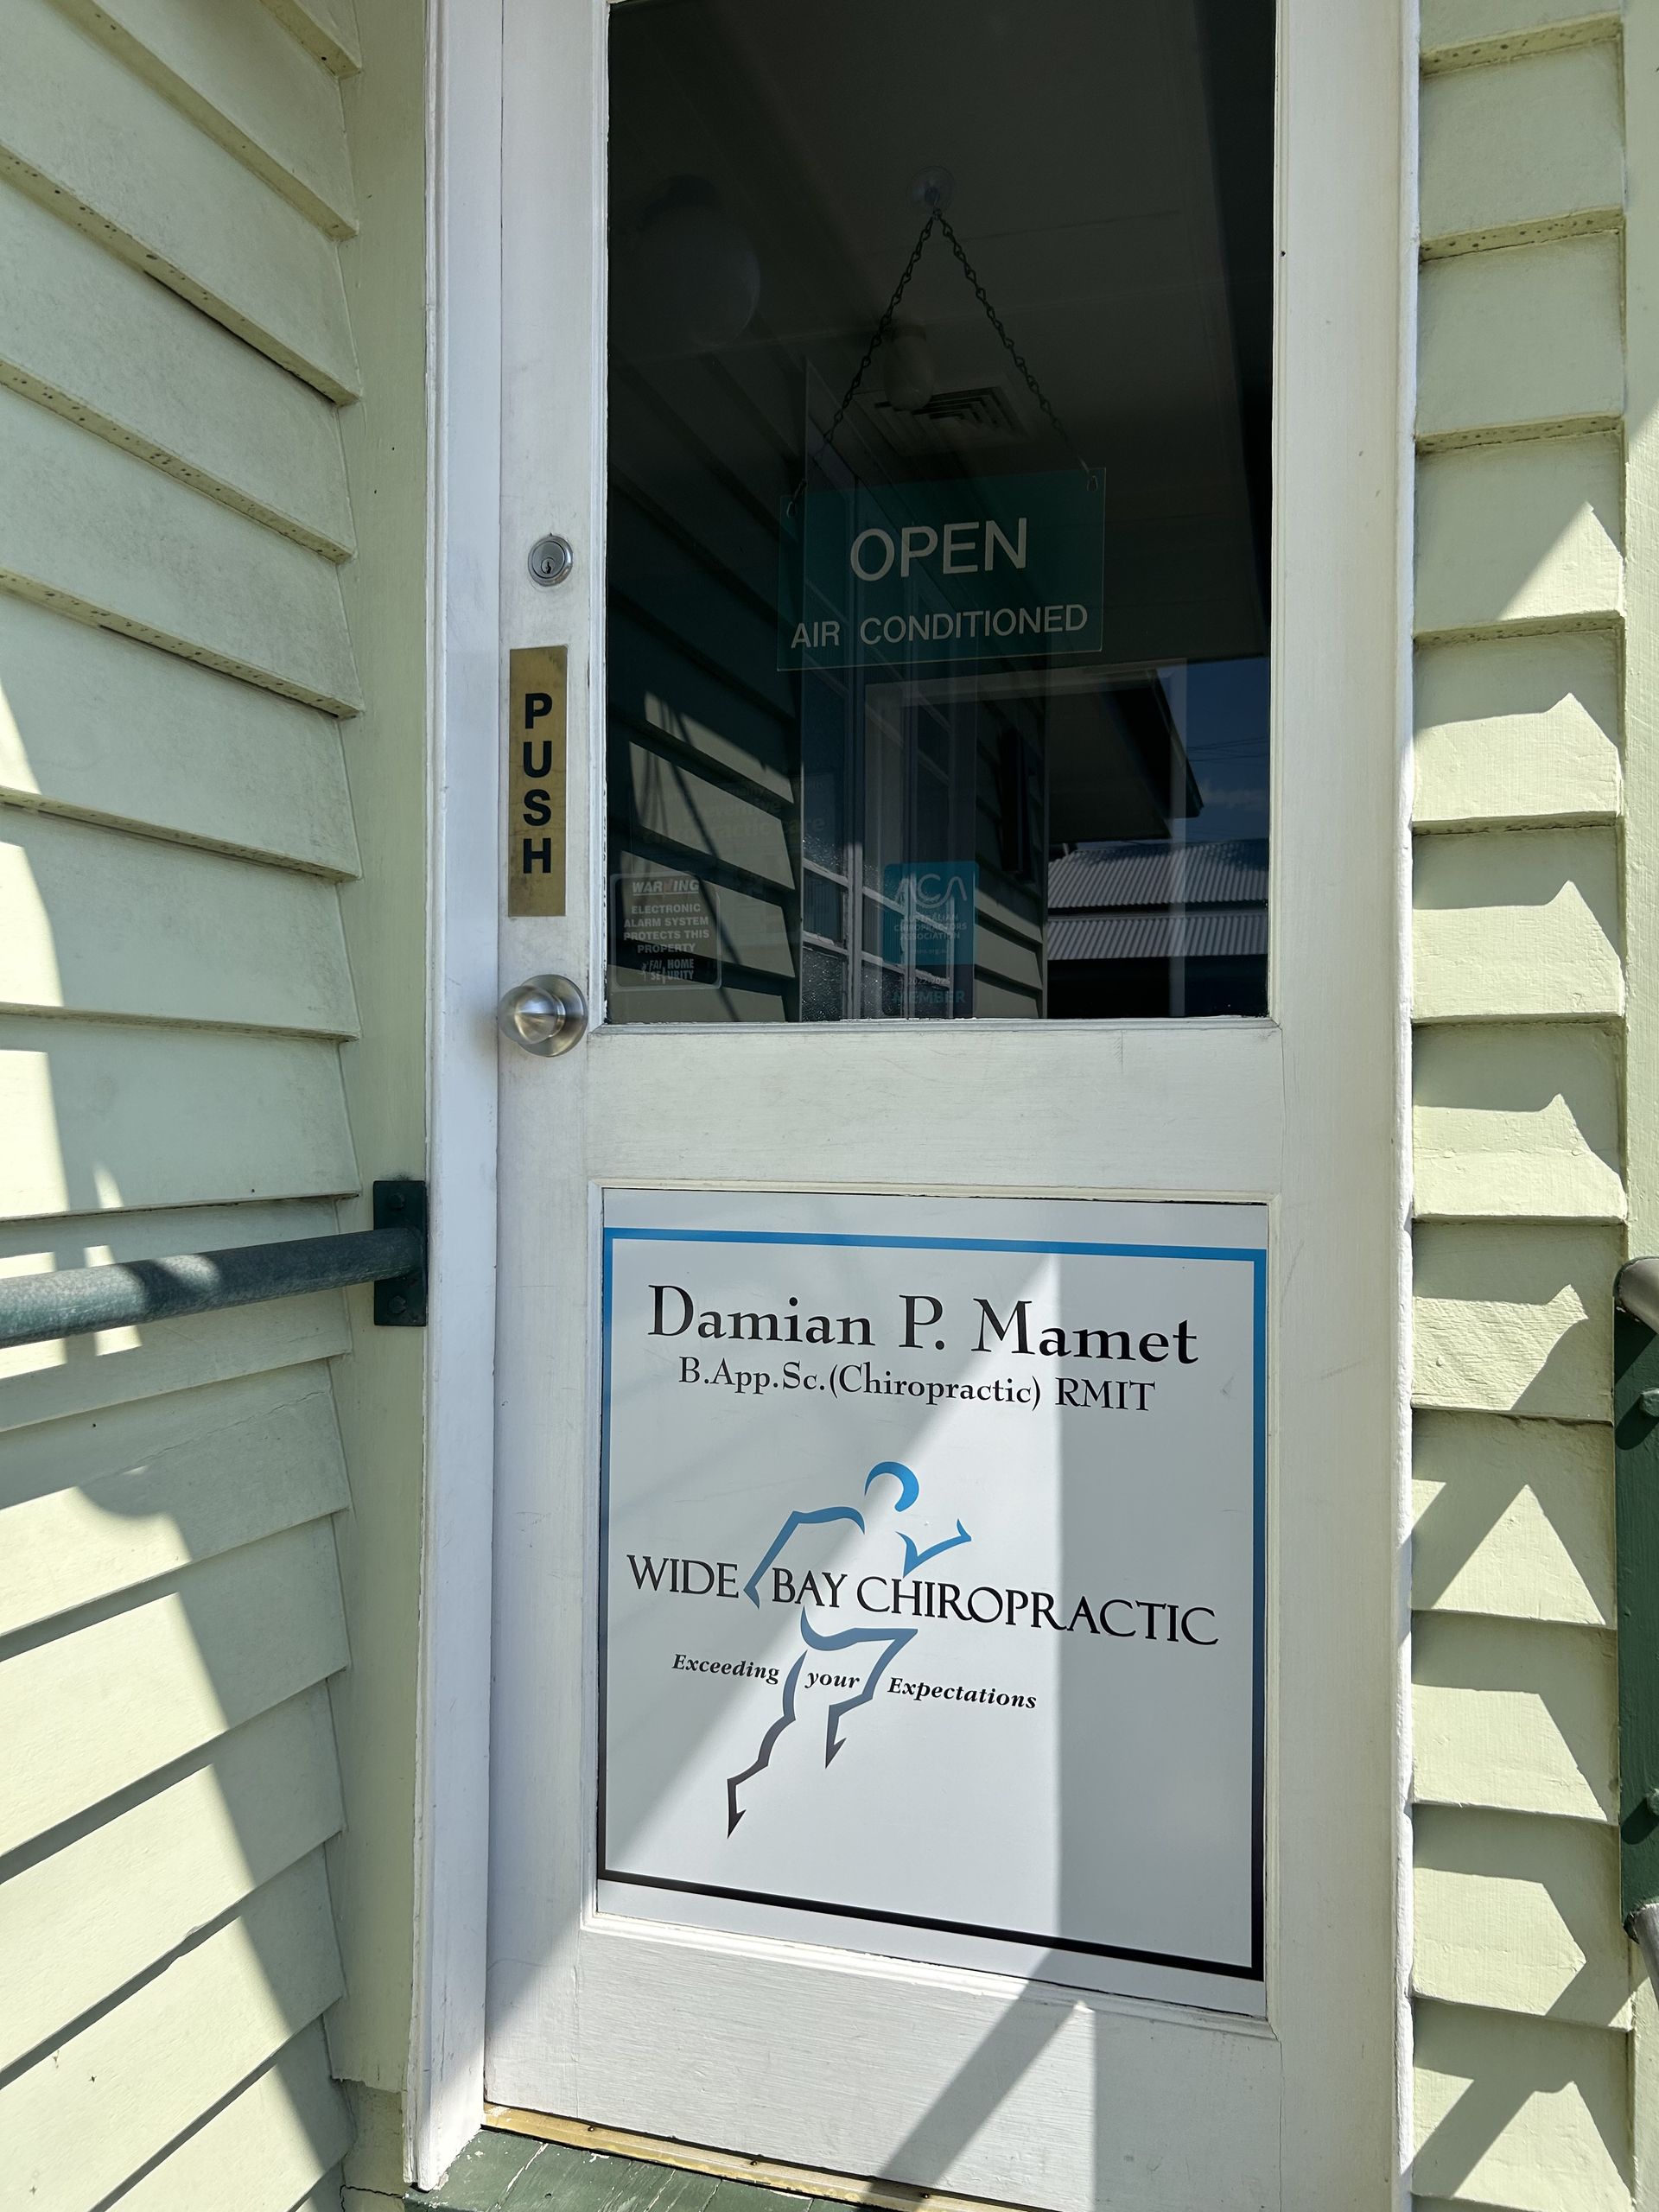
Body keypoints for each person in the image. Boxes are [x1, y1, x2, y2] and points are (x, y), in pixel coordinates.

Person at [726, 1459, 970, 1832]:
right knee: (798, 1721)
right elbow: (796, 1523)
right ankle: (748, 1793)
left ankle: (763, 1797)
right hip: (824, 1641)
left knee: (809, 1720)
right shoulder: (850, 1527)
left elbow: (914, 1579)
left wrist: (957, 1540)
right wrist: (757, 1580)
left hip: (841, 1644)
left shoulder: (896, 1543)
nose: (898, 1508)